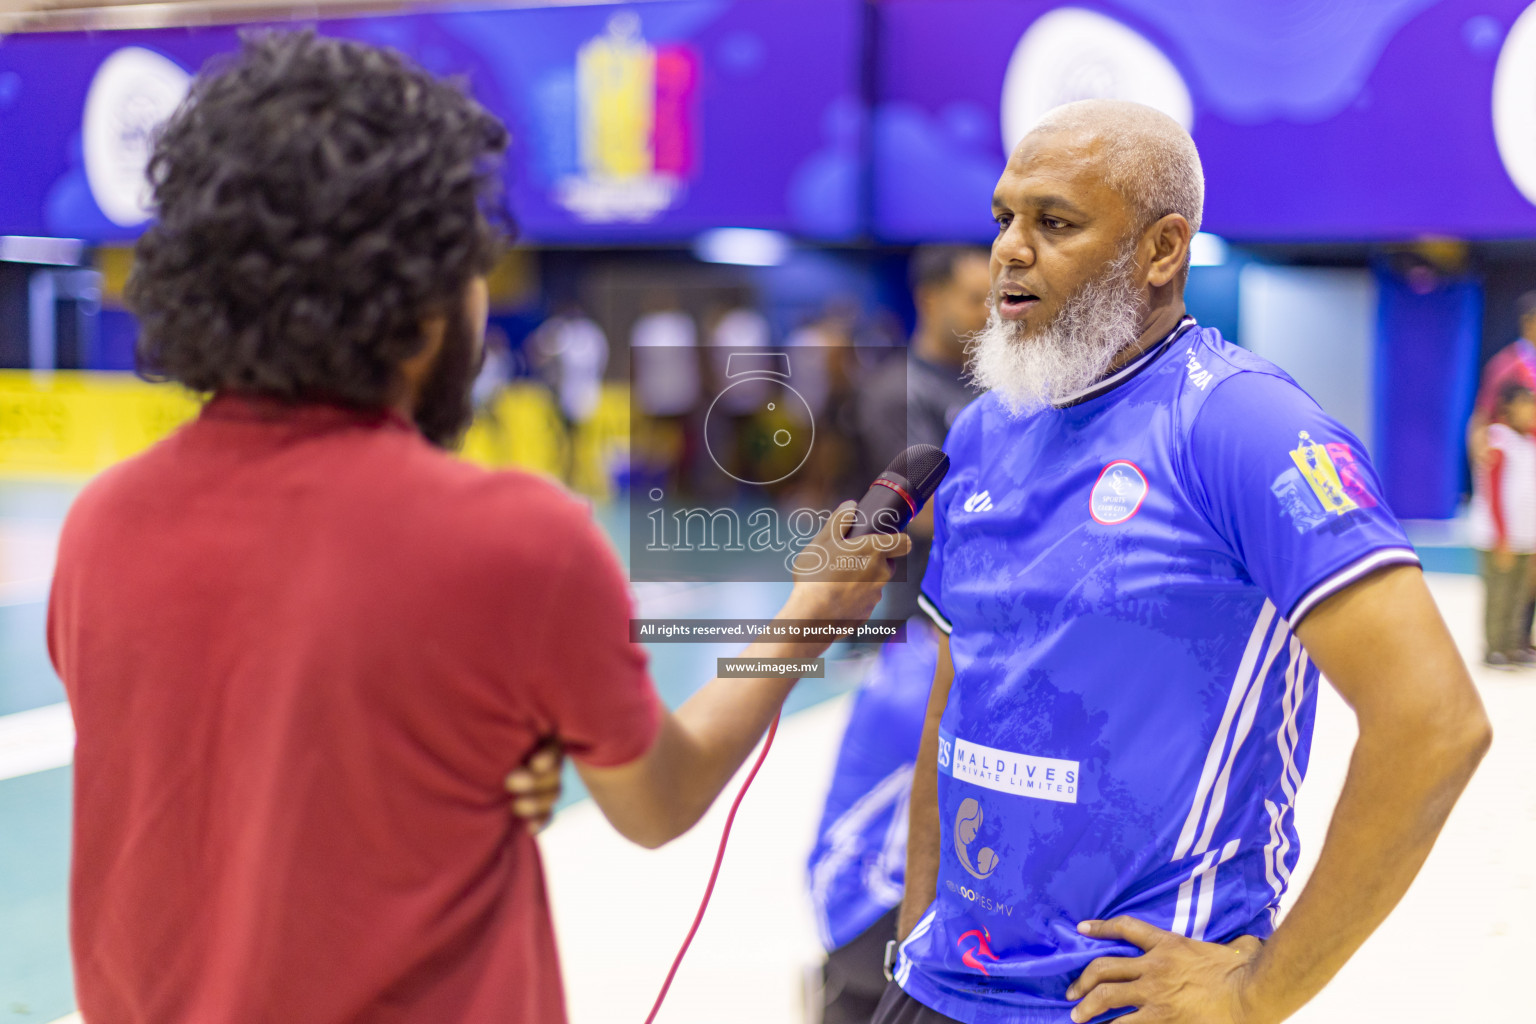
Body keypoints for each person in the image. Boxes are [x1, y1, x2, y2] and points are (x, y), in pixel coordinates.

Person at [47, 33, 907, 1024]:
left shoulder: (100, 524)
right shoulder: (516, 539)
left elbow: (250, 767)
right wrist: (810, 613)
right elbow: (658, 797)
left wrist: (466, 754)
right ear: (413, 302)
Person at [879, 99, 1491, 1024]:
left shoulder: (1244, 427)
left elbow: (1434, 723)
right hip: (941, 989)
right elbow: (957, 693)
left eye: (1055, 222)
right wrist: (916, 929)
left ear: (1163, 251)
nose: (1009, 247)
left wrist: (1257, 991)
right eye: (1003, 216)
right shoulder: (984, 427)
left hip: (1119, 1001)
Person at [804, 246, 989, 1024]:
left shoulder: (991, 391)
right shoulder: (896, 394)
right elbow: (909, 514)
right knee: (886, 824)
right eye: (974, 297)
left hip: (975, 642)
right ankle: (863, 978)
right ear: (930, 296)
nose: (988, 312)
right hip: (917, 636)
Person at [1468, 290, 1536, 648]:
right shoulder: (1506, 366)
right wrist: (1480, 449)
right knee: (1511, 574)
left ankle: (1521, 637)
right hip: (1513, 470)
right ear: (1528, 323)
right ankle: (1505, 641)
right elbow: (1482, 417)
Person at [1470, 381, 1536, 669]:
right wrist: (1501, 535)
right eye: (1525, 404)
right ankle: (1494, 647)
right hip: (1500, 535)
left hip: (1525, 534)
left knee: (1520, 594)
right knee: (1500, 593)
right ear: (1508, 407)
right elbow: (1494, 492)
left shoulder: (1528, 442)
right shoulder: (1498, 440)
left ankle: (1512, 644)